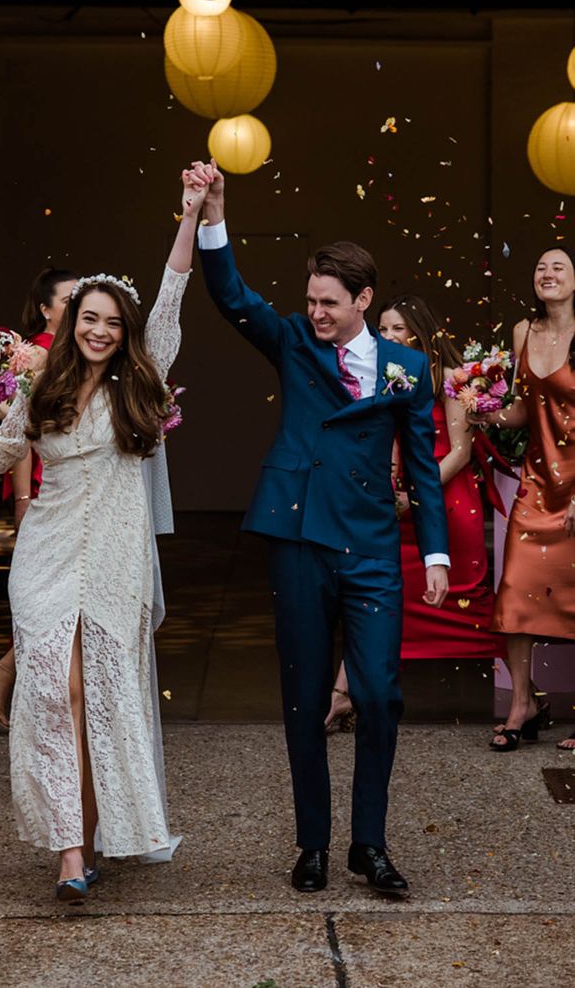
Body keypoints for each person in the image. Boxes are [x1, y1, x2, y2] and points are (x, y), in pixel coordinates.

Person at [190, 157, 449, 897]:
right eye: (311, 300)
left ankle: (369, 845)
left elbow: (425, 466)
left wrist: (432, 550)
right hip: (300, 541)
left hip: (370, 546)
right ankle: (312, 843)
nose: (317, 312)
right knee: (304, 696)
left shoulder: (404, 367)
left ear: (364, 299)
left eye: (331, 302)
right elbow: (233, 298)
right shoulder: (296, 343)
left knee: (377, 696)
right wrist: (214, 215)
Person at [0, 172, 202, 900]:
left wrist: (192, 211)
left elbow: (172, 290)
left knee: (97, 694)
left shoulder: (141, 380)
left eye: (110, 321)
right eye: (87, 318)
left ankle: (92, 836)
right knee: (55, 690)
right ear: (69, 324)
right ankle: (70, 853)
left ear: (125, 330)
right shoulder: (43, 388)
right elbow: (2, 452)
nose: (98, 330)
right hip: (46, 553)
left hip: (112, 557)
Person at [327, 295, 505, 729]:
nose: (387, 337)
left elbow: (461, 453)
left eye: (396, 329)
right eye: (382, 329)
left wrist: (414, 496)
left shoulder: (449, 378)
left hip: (444, 502)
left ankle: (523, 693)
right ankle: (341, 694)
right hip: (398, 501)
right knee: (377, 600)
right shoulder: (391, 378)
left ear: (419, 334)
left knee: (471, 599)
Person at [0, 268, 79, 729]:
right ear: (45, 308)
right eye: (69, 299)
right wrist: (20, 497)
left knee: (71, 594)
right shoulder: (36, 353)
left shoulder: (78, 350)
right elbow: (22, 434)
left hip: (76, 486)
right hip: (39, 482)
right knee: (53, 595)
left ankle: (6, 671)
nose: (77, 307)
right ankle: (18, 679)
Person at [478, 247, 575, 751]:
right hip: (537, 483)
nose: (547, 273)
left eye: (559, 266)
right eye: (541, 267)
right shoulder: (523, 332)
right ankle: (523, 702)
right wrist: (483, 409)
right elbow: (522, 409)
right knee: (515, 590)